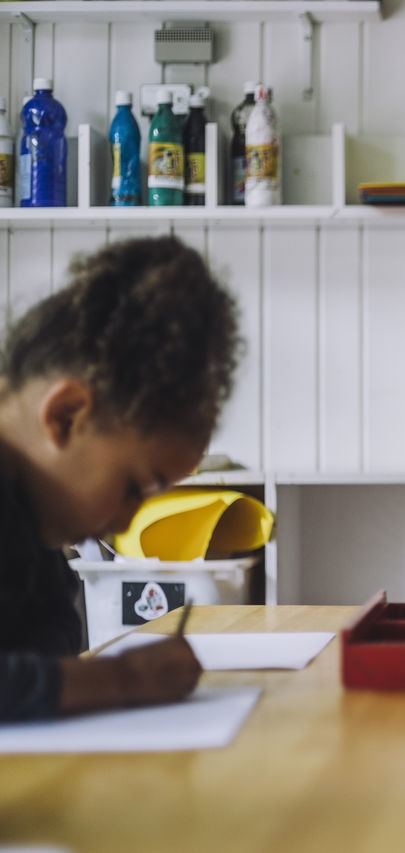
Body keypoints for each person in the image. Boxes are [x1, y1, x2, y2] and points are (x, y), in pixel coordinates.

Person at [0, 235, 240, 720]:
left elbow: (50, 639)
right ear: (67, 416)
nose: (127, 522)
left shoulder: (30, 519)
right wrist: (121, 679)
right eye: (134, 488)